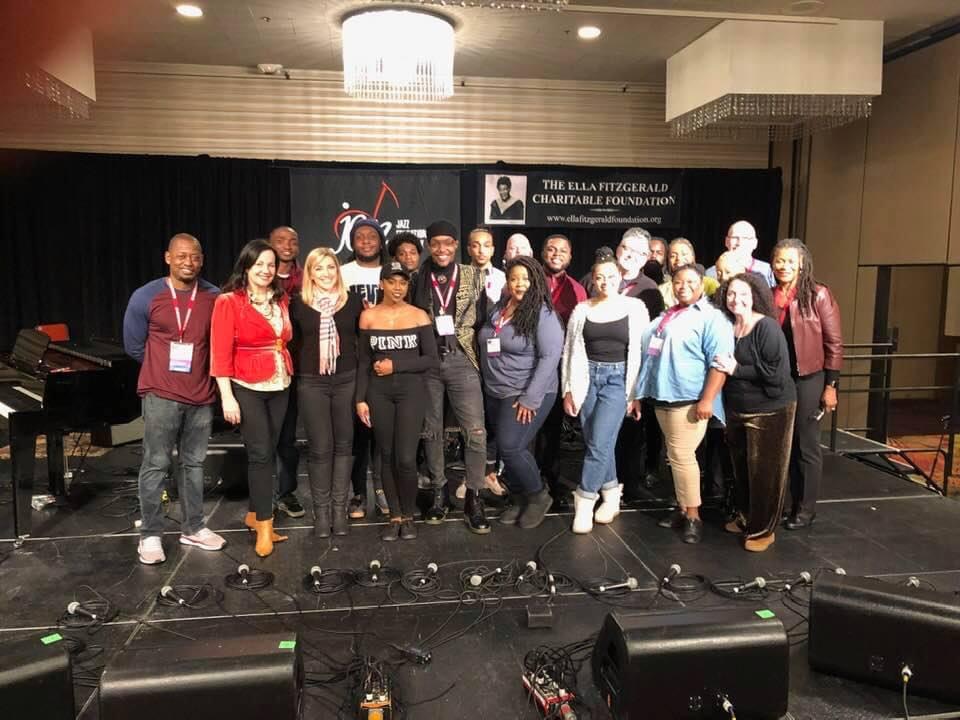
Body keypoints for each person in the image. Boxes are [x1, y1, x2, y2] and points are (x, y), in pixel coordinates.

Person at [122, 233, 226, 565]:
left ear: (202, 259)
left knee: (194, 464)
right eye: (181, 256)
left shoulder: (213, 296)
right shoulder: (146, 296)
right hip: (161, 393)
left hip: (201, 394)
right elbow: (134, 345)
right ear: (168, 257)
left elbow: (219, 343)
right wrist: (161, 372)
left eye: (194, 257)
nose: (188, 262)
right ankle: (150, 534)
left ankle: (193, 527)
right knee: (156, 463)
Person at [635, 264, 734, 544]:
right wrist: (641, 394)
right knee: (674, 457)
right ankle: (681, 507)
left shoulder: (713, 319)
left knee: (681, 456)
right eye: (678, 281)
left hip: (689, 399)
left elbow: (720, 362)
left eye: (690, 281)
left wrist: (708, 399)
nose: (683, 286)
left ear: (702, 285)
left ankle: (694, 516)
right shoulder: (667, 315)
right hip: (662, 395)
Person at [211, 239, 293, 558]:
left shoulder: (280, 300)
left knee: (269, 451)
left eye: (271, 265)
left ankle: (252, 512)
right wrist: (227, 397)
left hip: (280, 382)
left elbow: (283, 340)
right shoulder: (229, 302)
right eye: (259, 264)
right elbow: (220, 353)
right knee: (259, 454)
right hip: (247, 385)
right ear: (246, 267)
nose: (265, 270)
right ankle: (264, 524)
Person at [411, 220, 491, 534]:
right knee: (431, 430)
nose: (442, 249)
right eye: (435, 243)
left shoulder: (474, 276)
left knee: (475, 431)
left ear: (456, 245)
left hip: (462, 358)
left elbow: (485, 318)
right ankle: (439, 491)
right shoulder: (418, 277)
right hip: (429, 361)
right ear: (429, 245)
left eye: (448, 243)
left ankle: (474, 495)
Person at [562, 257, 649, 534]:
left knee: (599, 442)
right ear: (593, 280)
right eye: (600, 277)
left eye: (611, 277)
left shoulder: (635, 308)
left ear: (620, 279)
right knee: (597, 442)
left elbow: (643, 354)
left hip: (618, 380)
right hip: (586, 378)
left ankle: (585, 499)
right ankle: (611, 496)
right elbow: (569, 352)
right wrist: (567, 389)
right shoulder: (581, 310)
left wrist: (637, 394)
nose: (605, 282)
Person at [713, 273, 797, 552]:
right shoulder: (729, 326)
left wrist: (736, 369)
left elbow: (777, 375)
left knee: (766, 474)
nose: (736, 299)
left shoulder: (767, 328)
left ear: (756, 296)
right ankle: (747, 517)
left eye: (743, 294)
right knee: (743, 471)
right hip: (737, 410)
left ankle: (763, 530)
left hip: (770, 410)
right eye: (731, 294)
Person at [357, 261, 439, 541]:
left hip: (411, 393)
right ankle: (394, 516)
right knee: (386, 455)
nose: (397, 288)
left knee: (405, 457)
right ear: (382, 284)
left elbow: (431, 359)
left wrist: (396, 366)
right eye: (392, 282)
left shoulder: (419, 316)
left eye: (402, 283)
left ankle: (408, 515)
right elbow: (363, 363)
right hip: (378, 393)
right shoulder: (368, 317)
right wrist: (360, 399)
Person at [479, 256, 563, 529]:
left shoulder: (543, 313)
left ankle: (538, 496)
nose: (519, 284)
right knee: (506, 451)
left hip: (525, 391)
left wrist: (530, 397)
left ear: (536, 280)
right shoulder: (500, 308)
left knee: (511, 447)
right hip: (496, 391)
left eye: (525, 279)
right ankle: (517, 498)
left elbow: (550, 357)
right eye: (514, 278)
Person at [289, 247, 363, 538]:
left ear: (337, 270)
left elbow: (363, 342)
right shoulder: (297, 304)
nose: (326, 274)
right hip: (312, 382)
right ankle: (321, 515)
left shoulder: (354, 301)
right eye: (318, 269)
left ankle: (339, 511)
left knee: (345, 446)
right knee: (320, 448)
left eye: (330, 268)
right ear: (309, 273)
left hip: (347, 379)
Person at [772, 238, 843, 530]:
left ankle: (805, 509)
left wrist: (831, 385)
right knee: (782, 446)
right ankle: (785, 504)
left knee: (806, 445)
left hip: (809, 377)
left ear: (802, 263)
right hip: (778, 379)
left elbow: (834, 343)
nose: (784, 266)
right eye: (779, 260)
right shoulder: (768, 293)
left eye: (790, 261)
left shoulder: (818, 294)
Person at [340, 218, 389, 520]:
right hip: (354, 360)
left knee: (384, 435)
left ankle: (384, 492)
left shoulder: (393, 270)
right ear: (352, 242)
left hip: (387, 361)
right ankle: (358, 494)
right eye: (360, 237)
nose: (367, 241)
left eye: (372, 236)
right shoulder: (342, 273)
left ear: (381, 241)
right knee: (358, 435)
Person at [269, 225, 305, 520]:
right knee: (264, 435)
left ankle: (286, 492)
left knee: (288, 436)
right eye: (281, 240)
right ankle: (263, 493)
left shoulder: (307, 278)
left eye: (293, 240)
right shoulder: (258, 276)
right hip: (264, 367)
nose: (287, 245)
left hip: (299, 366)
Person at [707, 220, 776, 287]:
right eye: (734, 237)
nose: (739, 243)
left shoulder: (765, 270)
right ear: (726, 241)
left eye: (745, 238)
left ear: (755, 243)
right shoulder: (712, 272)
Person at [659, 238, 719, 307]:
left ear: (692, 257)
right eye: (673, 256)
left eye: (684, 254)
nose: (678, 258)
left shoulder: (710, 284)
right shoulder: (662, 290)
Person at [467, 226, 506, 304]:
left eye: (486, 246)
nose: (481, 251)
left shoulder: (502, 278)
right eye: (476, 246)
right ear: (469, 250)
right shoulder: (459, 277)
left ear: (492, 250)